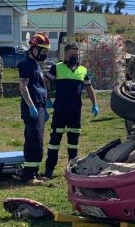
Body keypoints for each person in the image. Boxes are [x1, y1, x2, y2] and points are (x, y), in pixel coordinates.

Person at [43, 43, 99, 179]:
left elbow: (89, 88)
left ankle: (72, 169)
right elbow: (44, 82)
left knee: (73, 142)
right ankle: (49, 170)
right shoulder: (57, 68)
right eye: (72, 54)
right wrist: (46, 99)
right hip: (60, 110)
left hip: (75, 111)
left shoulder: (83, 70)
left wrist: (95, 104)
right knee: (54, 142)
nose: (74, 56)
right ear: (66, 54)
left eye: (76, 54)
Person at [16, 33, 50, 186]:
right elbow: (23, 86)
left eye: (46, 52)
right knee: (33, 139)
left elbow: (39, 86)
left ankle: (34, 172)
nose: (44, 55)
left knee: (39, 140)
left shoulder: (37, 65)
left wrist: (45, 104)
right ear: (33, 49)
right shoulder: (26, 65)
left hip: (40, 106)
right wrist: (31, 106)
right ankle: (28, 176)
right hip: (32, 107)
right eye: (42, 51)